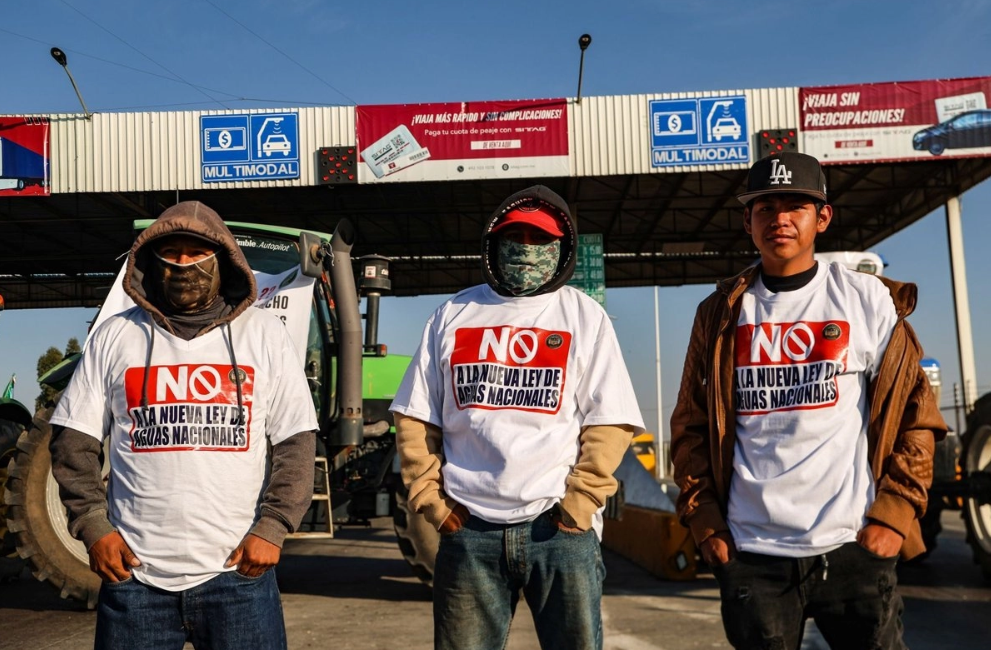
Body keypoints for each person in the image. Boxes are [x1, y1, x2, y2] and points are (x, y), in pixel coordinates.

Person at [670, 151, 948, 650]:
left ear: (822, 218)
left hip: (853, 545)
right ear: (748, 222)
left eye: (795, 206)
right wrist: (707, 525)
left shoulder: (866, 299)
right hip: (752, 554)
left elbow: (917, 417)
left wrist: (893, 516)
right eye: (765, 207)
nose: (779, 218)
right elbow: (689, 426)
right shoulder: (718, 314)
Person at [49, 200, 317, 650]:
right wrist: (94, 525)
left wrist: (273, 526)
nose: (183, 264)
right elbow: (72, 442)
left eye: (196, 253)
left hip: (237, 577)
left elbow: (295, 440)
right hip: (135, 580)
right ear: (151, 262)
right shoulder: (116, 336)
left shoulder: (263, 334)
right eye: (171, 253)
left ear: (224, 259)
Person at [390, 185, 644, 650]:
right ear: (493, 243)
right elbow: (415, 418)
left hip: (559, 531)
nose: (526, 251)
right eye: (516, 238)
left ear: (562, 248)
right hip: (468, 532)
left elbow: (610, 422)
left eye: (539, 240)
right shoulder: (452, 314)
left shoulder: (582, 316)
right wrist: (434, 503)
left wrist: (578, 507)